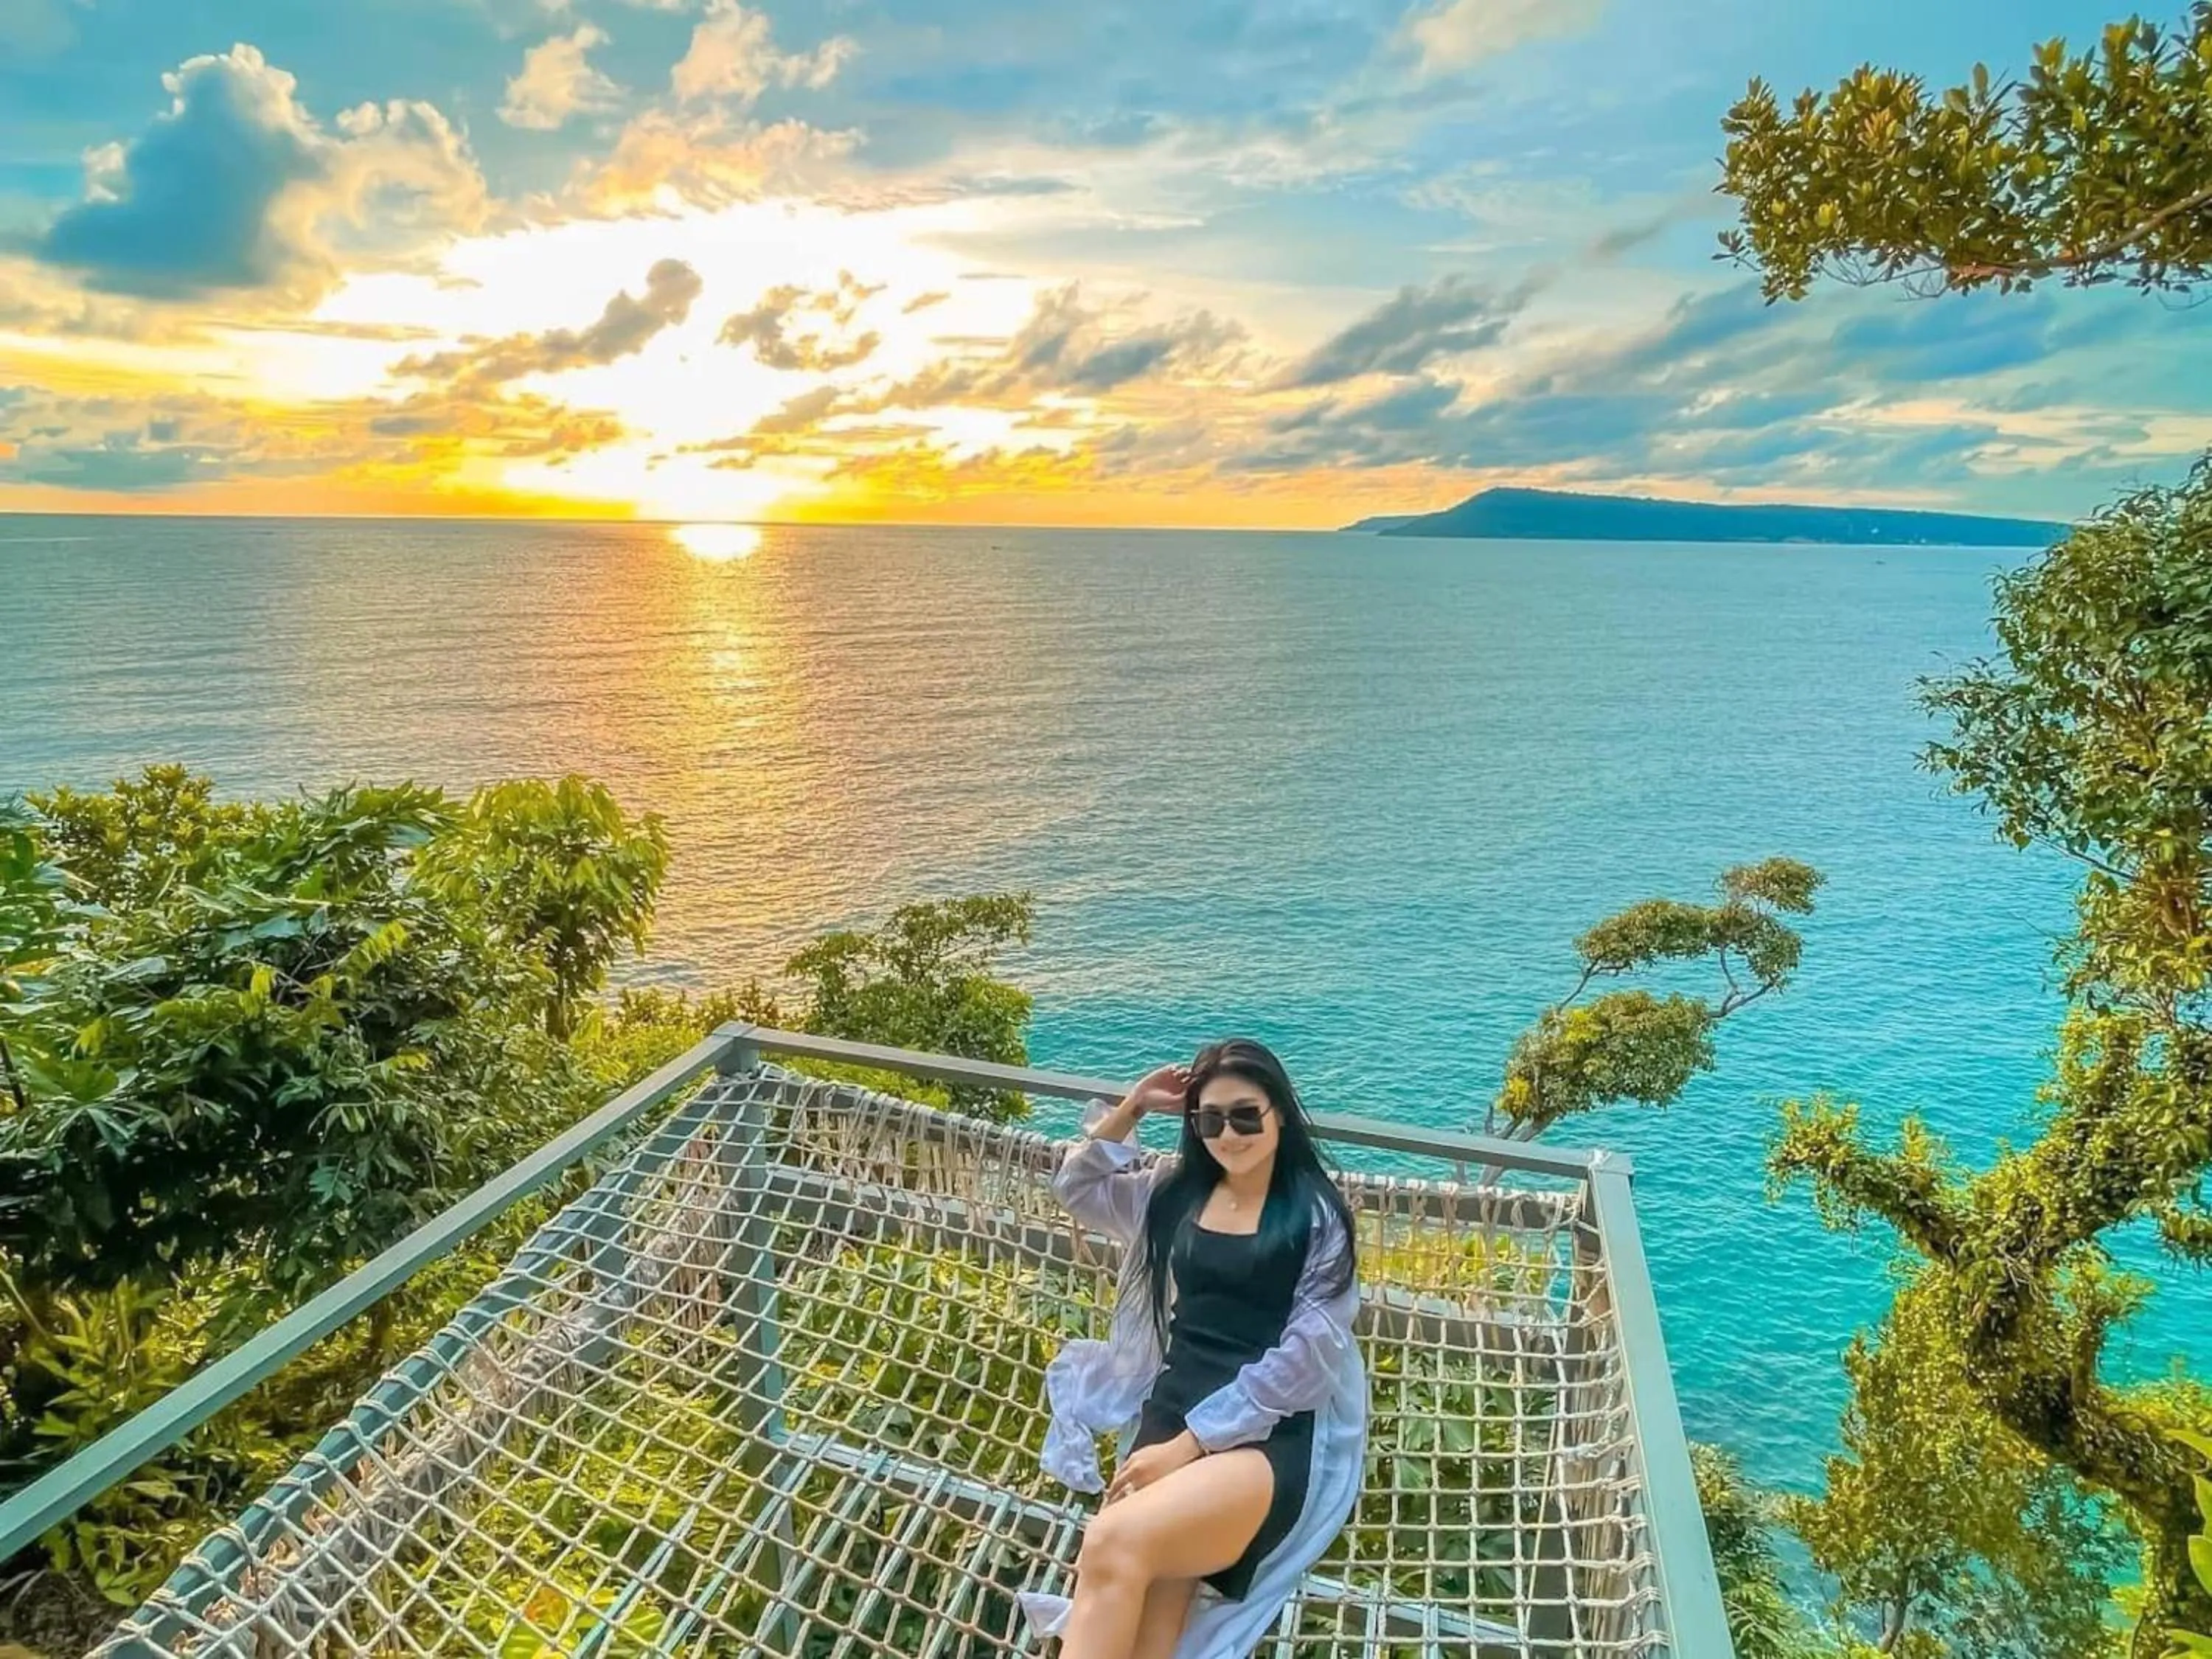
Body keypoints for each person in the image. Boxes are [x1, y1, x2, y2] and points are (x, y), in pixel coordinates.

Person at [1016, 1039, 1368, 1659]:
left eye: (1245, 1114)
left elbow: (1308, 1362)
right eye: (1209, 1119)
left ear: (1279, 1113)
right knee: (1153, 1626)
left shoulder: (1314, 1218)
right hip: (1168, 1417)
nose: (1228, 1134)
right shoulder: (1174, 1192)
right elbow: (1077, 1188)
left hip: (1264, 1438)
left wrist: (1190, 1444)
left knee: (1113, 1544)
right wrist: (1131, 1107)